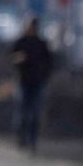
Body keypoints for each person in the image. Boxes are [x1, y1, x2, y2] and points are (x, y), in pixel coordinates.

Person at [10, 16, 54, 153]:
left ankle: (32, 142)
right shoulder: (21, 42)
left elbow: (50, 63)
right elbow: (11, 57)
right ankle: (21, 139)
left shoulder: (41, 44)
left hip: (38, 83)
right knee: (22, 113)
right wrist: (18, 59)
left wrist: (44, 77)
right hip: (23, 81)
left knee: (35, 114)